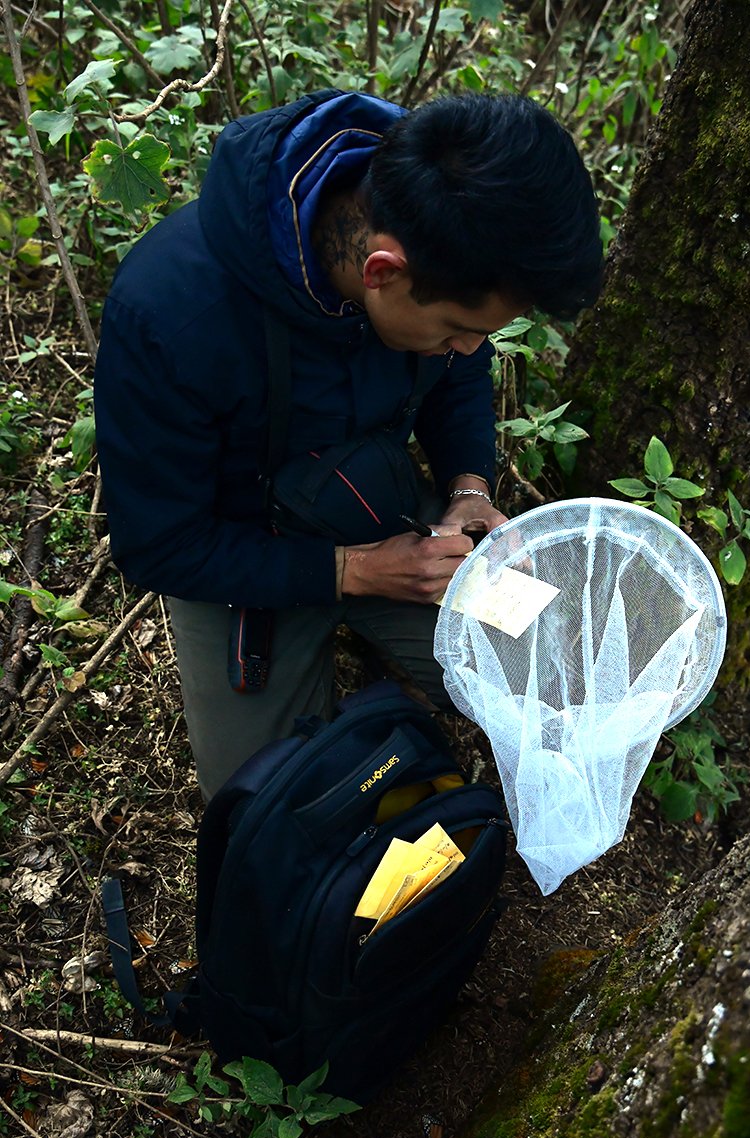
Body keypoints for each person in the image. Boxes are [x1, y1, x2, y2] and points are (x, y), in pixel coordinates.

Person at [93, 89, 603, 801]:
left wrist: (467, 490)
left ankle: (388, 649)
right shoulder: (170, 314)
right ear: (382, 272)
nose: (471, 347)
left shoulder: (441, 221)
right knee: (267, 810)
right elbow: (161, 545)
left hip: (376, 500)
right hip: (240, 556)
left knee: (560, 674)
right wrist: (358, 572)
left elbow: (459, 370)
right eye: (460, 326)